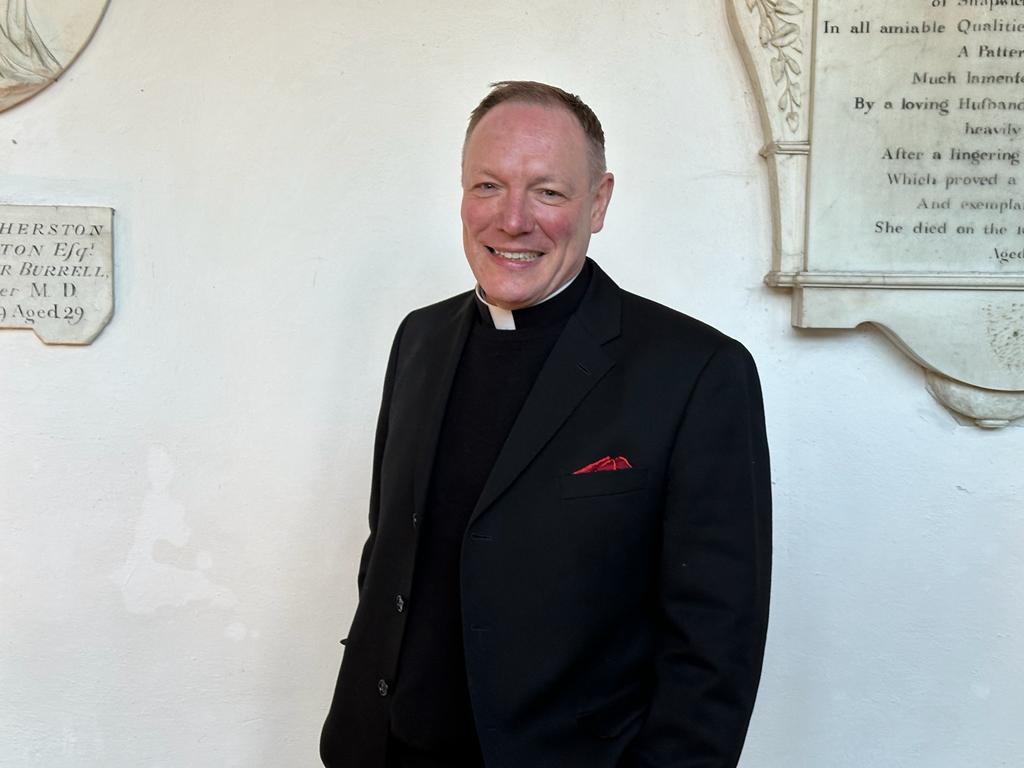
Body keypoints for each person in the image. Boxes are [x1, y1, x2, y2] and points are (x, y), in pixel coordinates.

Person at [321, 81, 771, 768]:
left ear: (599, 202)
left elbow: (714, 647)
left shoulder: (697, 373)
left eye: (549, 193)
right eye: (488, 186)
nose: (512, 220)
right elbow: (391, 548)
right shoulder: (419, 338)